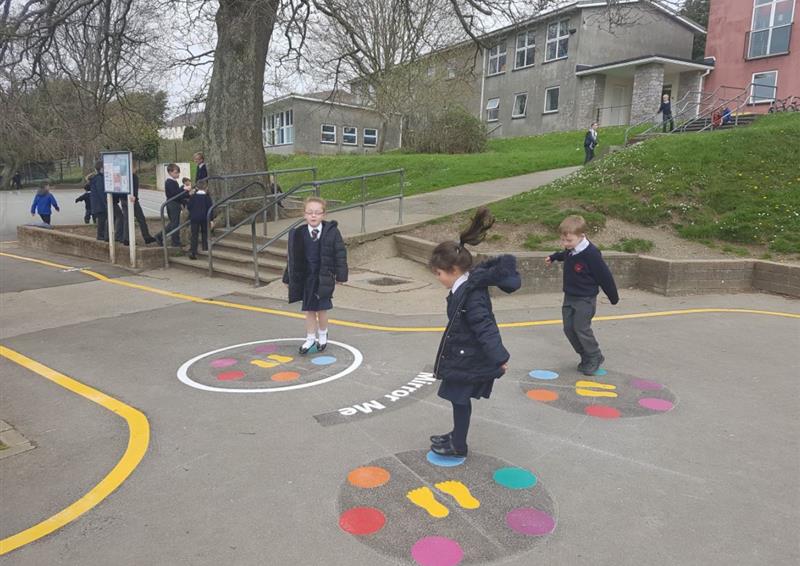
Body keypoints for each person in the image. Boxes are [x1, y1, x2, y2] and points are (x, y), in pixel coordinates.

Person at [428, 208, 520, 458]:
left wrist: (499, 357)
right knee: (458, 398)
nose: (438, 278)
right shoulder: (465, 288)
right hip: (462, 354)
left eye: (439, 274)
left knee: (460, 399)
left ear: (454, 271)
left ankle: (459, 446)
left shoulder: (472, 295)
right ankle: (457, 436)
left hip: (469, 357)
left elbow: (485, 326)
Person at [545, 215, 619, 376]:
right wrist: (553, 257)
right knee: (568, 329)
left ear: (582, 236)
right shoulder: (571, 250)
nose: (565, 244)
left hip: (585, 299)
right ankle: (585, 355)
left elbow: (604, 276)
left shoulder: (591, 254)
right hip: (569, 296)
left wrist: (613, 297)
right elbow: (564, 255)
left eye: (569, 241)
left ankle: (595, 356)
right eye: (563, 240)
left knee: (581, 328)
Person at [282, 196, 348, 354]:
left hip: (323, 277)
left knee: (322, 309)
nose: (313, 216)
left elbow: (340, 254)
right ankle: (310, 338)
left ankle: (323, 335)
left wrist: (341, 275)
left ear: (324, 215)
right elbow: (293, 258)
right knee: (309, 309)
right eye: (310, 212)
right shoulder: (299, 233)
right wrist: (287, 277)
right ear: (304, 214)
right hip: (307, 277)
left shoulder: (332, 232)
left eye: (317, 213)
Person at [154, 164, 187, 247]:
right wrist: (184, 189)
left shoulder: (173, 182)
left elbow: (176, 194)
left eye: (178, 172)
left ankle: (160, 236)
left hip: (174, 203)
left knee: (173, 223)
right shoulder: (170, 182)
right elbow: (174, 194)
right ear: (170, 172)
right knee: (175, 223)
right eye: (176, 172)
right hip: (172, 204)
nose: (178, 174)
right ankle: (175, 241)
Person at [121, 169, 156, 246]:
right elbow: (135, 188)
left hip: (124, 199)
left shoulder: (124, 175)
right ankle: (146, 237)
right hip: (132, 200)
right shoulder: (133, 176)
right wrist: (135, 196)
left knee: (127, 219)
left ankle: (126, 238)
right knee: (141, 218)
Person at [186, 184, 213, 260]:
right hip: (204, 218)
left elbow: (189, 206)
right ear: (206, 188)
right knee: (204, 232)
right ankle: (205, 246)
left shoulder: (193, 197)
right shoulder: (207, 198)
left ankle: (193, 251)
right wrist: (211, 219)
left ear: (197, 188)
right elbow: (210, 208)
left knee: (194, 234)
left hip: (194, 218)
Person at [89, 160, 108, 241]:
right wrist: (105, 203)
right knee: (102, 219)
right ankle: (100, 235)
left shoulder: (97, 178)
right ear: (101, 168)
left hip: (97, 203)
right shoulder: (99, 178)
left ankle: (102, 234)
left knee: (102, 219)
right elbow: (101, 191)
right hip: (99, 204)